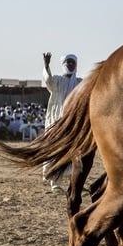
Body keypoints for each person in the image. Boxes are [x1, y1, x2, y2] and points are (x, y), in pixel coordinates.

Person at [42, 52, 81, 192]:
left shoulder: (79, 82)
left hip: (73, 122)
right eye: (68, 63)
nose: (70, 65)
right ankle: (55, 182)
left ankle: (74, 185)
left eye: (73, 63)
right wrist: (46, 66)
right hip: (57, 121)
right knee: (55, 151)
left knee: (75, 153)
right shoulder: (58, 80)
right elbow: (48, 82)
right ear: (64, 65)